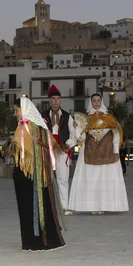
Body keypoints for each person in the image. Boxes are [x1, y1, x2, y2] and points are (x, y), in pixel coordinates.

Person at [10, 97, 66, 252]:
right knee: (44, 205)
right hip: (43, 176)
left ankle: (33, 242)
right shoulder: (42, 126)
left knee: (29, 208)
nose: (15, 114)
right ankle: (48, 239)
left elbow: (20, 154)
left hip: (27, 176)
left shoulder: (24, 127)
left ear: (25, 110)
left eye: (17, 110)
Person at [68, 93, 129, 214]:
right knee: (91, 181)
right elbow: (81, 138)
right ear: (91, 103)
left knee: (104, 180)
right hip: (90, 152)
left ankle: (103, 206)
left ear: (102, 102)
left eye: (98, 100)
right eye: (94, 101)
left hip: (106, 152)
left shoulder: (110, 118)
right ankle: (93, 207)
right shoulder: (86, 119)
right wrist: (77, 129)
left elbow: (116, 136)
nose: (96, 103)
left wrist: (116, 151)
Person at [41, 84, 77, 216]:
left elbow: (74, 134)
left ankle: (64, 206)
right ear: (50, 100)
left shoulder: (67, 116)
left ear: (60, 100)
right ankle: (48, 207)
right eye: (53, 98)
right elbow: (39, 132)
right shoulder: (43, 116)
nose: (56, 101)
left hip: (62, 151)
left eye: (58, 98)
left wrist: (67, 145)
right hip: (47, 150)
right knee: (47, 179)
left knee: (63, 179)